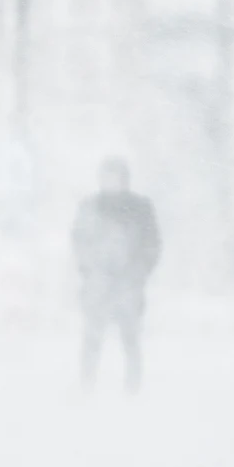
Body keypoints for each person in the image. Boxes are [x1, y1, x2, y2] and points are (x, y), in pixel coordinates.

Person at [71, 158, 161, 392]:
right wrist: (89, 270)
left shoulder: (140, 208)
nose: (110, 182)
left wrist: (140, 270)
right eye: (106, 176)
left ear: (125, 179)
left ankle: (132, 390)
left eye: (115, 177)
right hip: (98, 284)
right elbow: (78, 241)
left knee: (130, 339)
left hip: (129, 284)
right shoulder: (90, 206)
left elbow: (152, 244)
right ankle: (86, 387)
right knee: (92, 339)